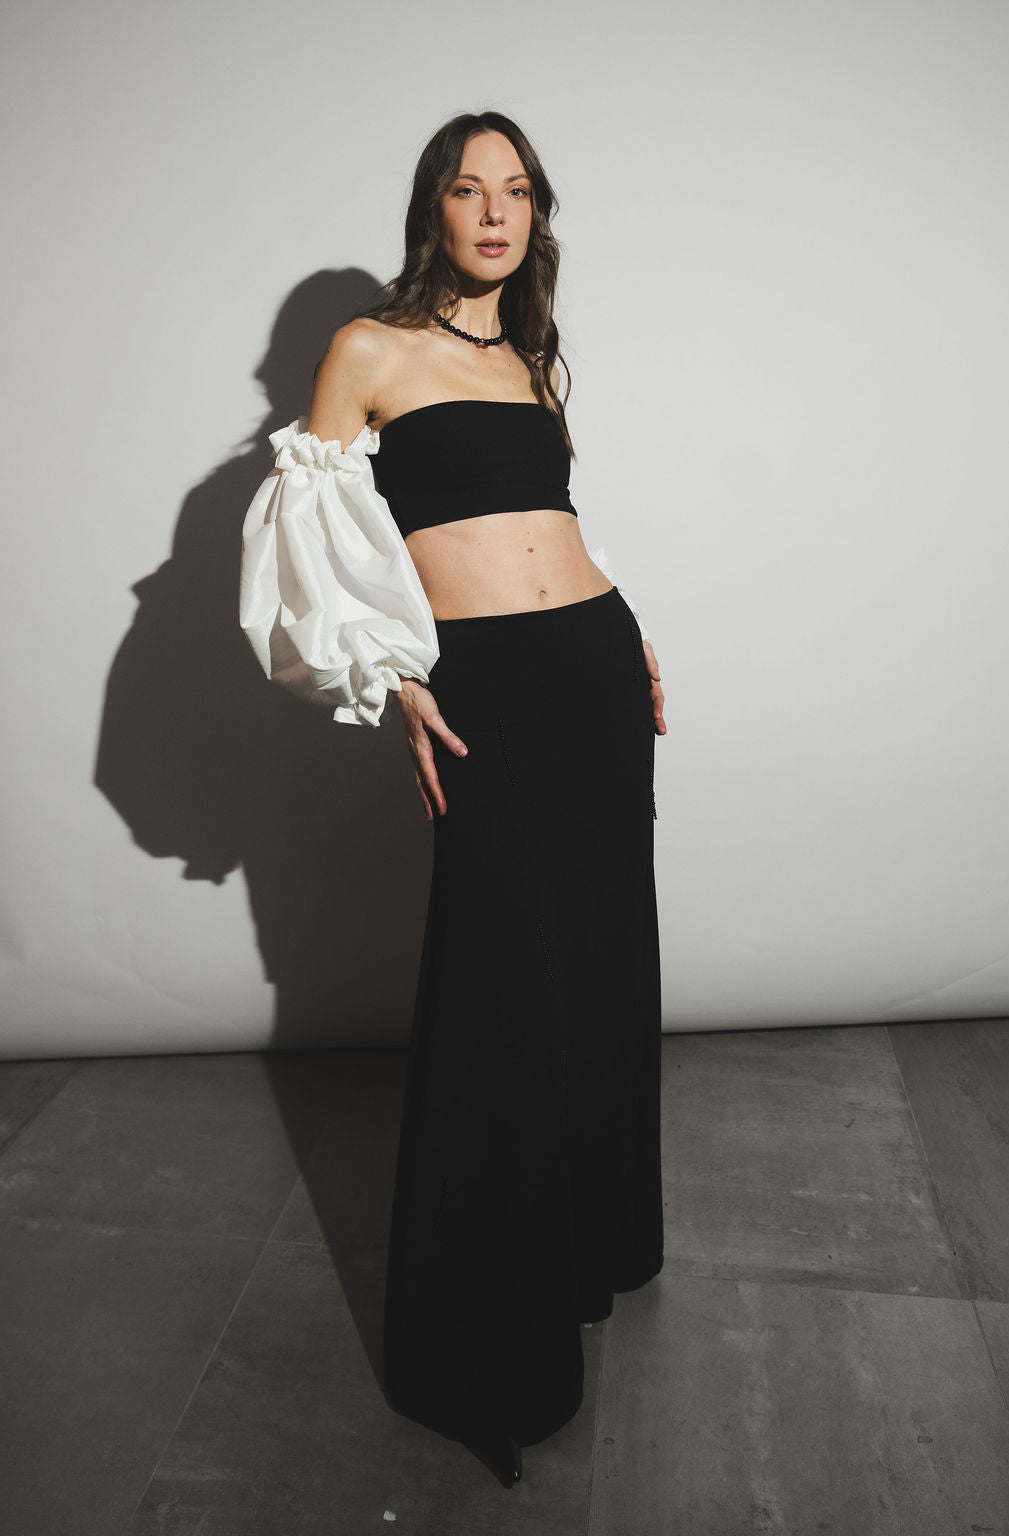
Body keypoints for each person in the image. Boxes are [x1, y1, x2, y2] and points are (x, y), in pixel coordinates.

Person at [239, 109, 666, 1488]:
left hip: (593, 668)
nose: (495, 213)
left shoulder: (529, 357)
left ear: (537, 214)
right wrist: (393, 680)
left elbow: (551, 527)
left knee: (597, 958)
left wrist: (628, 631)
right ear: (432, 208)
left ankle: (588, 1251)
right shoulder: (367, 350)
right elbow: (310, 550)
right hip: (486, 685)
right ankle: (489, 1345)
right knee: (504, 981)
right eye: (470, 189)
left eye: (517, 191)